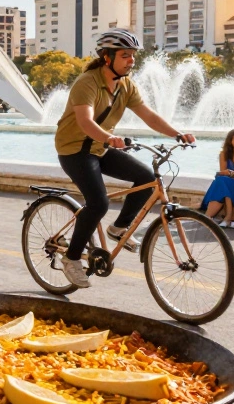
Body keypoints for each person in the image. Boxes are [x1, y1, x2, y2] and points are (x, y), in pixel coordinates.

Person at [54, 29, 196, 289]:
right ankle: (71, 258)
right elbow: (85, 121)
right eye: (125, 55)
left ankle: (119, 228)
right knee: (98, 204)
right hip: (74, 150)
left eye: (133, 56)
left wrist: (178, 134)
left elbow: (149, 116)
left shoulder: (126, 85)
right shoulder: (87, 82)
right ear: (107, 58)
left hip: (100, 147)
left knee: (146, 177)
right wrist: (109, 138)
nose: (131, 60)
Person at [199, 129, 234, 224]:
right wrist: (233, 173)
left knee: (222, 181)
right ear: (230, 142)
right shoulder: (224, 154)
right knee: (222, 180)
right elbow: (223, 172)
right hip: (228, 182)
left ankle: (213, 217)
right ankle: (215, 217)